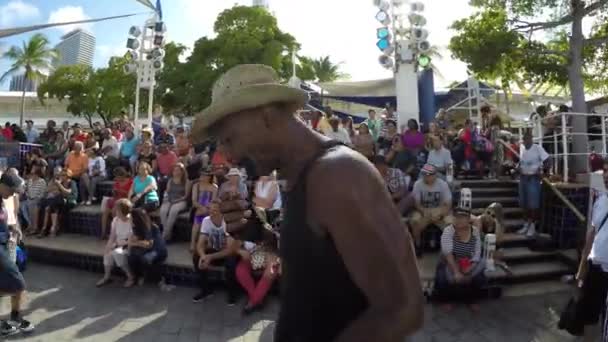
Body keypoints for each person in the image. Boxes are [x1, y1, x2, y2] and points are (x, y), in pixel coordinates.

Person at [192, 64, 423, 341]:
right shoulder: (295, 175)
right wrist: (257, 234)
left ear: (266, 116)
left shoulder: (338, 174)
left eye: (230, 139)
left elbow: (402, 309)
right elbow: (306, 264)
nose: (228, 156)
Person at [573, 168, 608, 336]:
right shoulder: (601, 200)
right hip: (595, 266)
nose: (606, 176)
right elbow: (592, 233)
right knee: (590, 315)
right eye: (606, 171)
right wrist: (582, 266)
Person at [0, 172, 35, 336]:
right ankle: (14, 318)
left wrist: (12, 229)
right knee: (18, 284)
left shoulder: (1, 199)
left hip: (4, 244)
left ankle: (13, 319)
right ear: (3, 185)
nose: (13, 194)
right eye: (12, 190)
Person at [434, 207, 485, 312]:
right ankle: (446, 300)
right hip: (450, 261)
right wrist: (456, 272)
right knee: (445, 277)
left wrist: (470, 269)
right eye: (457, 217)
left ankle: (472, 300)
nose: (459, 220)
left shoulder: (474, 231)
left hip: (467, 261)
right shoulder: (448, 231)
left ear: (468, 219)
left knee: (480, 273)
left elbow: (477, 253)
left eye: (463, 217)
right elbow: (448, 254)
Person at [192, 201, 239, 304]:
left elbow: (230, 250)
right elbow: (200, 244)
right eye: (210, 210)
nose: (212, 213)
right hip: (214, 250)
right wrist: (203, 256)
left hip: (227, 253)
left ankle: (232, 293)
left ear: (221, 212)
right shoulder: (206, 221)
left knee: (231, 263)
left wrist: (210, 257)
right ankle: (206, 290)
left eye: (215, 210)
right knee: (196, 257)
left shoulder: (227, 222)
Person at [409, 164, 453, 255]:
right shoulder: (418, 184)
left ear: (435, 175)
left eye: (429, 175)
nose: (426, 177)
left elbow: (448, 204)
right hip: (423, 210)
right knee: (414, 221)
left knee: (450, 223)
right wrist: (424, 212)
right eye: (424, 174)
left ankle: (449, 249)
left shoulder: (442, 184)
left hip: (439, 210)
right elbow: (416, 203)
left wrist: (441, 214)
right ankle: (418, 246)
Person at [96, 199, 135, 288]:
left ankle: (131, 277)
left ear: (123, 211)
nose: (114, 210)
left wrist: (116, 246)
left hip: (129, 245)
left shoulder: (132, 221)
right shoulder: (116, 220)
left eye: (117, 209)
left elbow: (130, 239)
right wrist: (108, 246)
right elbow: (112, 236)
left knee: (117, 253)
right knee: (108, 253)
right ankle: (107, 277)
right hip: (118, 244)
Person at [517, 131, 550, 237]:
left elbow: (548, 160)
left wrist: (544, 172)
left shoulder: (537, 148)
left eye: (527, 138)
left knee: (533, 204)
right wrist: (517, 167)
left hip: (533, 179)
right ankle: (526, 224)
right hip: (523, 178)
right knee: (524, 203)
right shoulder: (522, 149)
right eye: (524, 139)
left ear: (531, 139)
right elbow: (521, 162)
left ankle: (532, 226)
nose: (525, 141)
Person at [128, 208, 168, 287]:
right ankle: (138, 276)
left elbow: (148, 244)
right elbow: (134, 241)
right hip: (146, 248)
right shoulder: (136, 227)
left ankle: (156, 277)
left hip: (157, 251)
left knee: (145, 258)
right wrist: (134, 243)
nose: (130, 219)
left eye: (131, 218)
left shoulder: (151, 227)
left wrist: (134, 243)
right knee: (132, 256)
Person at [38, 169, 78, 238]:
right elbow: (48, 190)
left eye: (63, 175)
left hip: (70, 201)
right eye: (61, 175)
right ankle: (48, 229)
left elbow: (68, 192)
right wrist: (53, 184)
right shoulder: (61, 182)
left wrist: (59, 185)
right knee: (49, 206)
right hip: (59, 202)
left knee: (52, 205)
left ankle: (51, 229)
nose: (61, 176)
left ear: (68, 176)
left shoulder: (72, 182)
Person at [159, 163, 190, 241]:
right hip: (170, 199)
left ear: (182, 171)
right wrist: (166, 198)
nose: (175, 172)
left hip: (181, 200)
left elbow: (186, 196)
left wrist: (177, 200)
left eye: (178, 170)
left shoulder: (187, 181)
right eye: (174, 170)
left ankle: (164, 235)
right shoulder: (170, 180)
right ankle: (168, 234)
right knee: (163, 211)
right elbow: (167, 191)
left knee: (173, 211)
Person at [190, 167, 218, 254]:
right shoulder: (196, 186)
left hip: (210, 208)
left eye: (206, 176)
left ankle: (203, 243)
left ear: (210, 177)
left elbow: (213, 201)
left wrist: (207, 208)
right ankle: (192, 243)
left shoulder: (214, 187)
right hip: (198, 207)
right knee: (197, 221)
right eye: (202, 175)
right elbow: (194, 201)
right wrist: (201, 208)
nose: (203, 177)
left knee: (206, 217)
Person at [100, 167, 133, 239]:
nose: (116, 178)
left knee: (114, 211)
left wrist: (121, 191)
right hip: (116, 199)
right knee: (105, 212)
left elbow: (130, 194)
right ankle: (103, 233)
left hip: (125, 201)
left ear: (122, 175)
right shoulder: (117, 182)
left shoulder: (131, 182)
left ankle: (116, 233)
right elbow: (115, 194)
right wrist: (114, 192)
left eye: (118, 176)